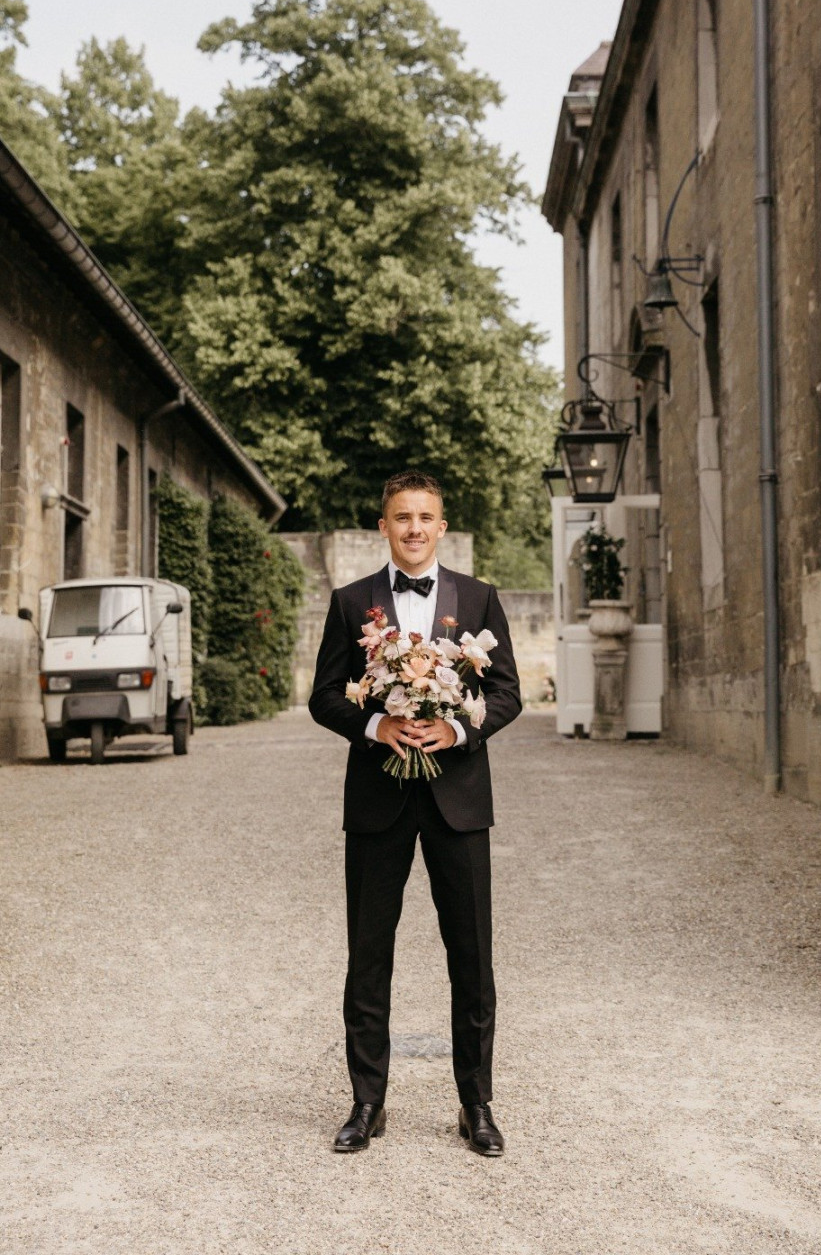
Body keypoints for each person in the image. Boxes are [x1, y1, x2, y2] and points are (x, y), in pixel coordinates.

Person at [308, 470, 522, 1157]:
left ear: (442, 525)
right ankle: (367, 1103)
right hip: (378, 800)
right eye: (402, 517)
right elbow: (323, 696)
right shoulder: (350, 602)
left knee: (473, 957)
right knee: (369, 955)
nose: (414, 528)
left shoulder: (480, 598)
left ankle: (476, 1105)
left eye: (425, 517)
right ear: (384, 526)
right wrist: (379, 726)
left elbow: (507, 693)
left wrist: (456, 730)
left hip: (460, 799)